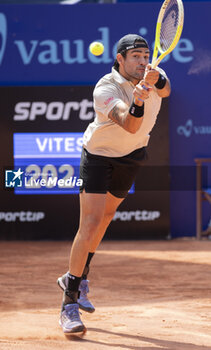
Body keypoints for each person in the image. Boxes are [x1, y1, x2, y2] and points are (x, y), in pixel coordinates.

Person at [58, 33, 171, 335]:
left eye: (145, 55)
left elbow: (167, 89)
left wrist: (155, 81)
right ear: (119, 59)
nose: (142, 61)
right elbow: (130, 123)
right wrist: (137, 100)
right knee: (91, 223)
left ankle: (81, 276)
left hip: (132, 156)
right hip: (98, 156)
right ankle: (69, 300)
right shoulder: (105, 88)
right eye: (135, 56)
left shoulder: (153, 75)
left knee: (106, 218)